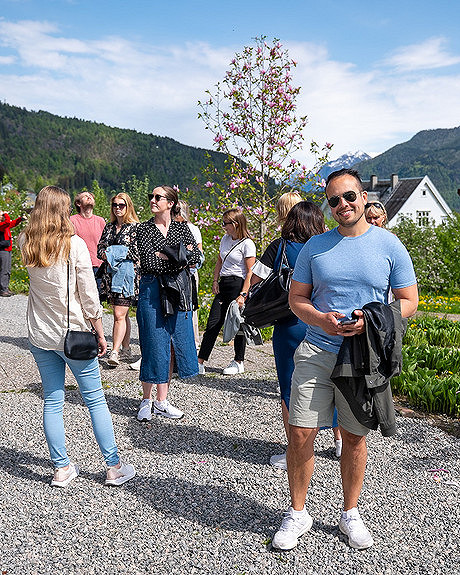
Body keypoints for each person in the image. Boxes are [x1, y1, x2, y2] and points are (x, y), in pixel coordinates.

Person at [272, 169, 418, 551]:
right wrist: (320, 318)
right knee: (300, 432)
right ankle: (298, 512)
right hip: (316, 350)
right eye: (334, 200)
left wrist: (371, 319)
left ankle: (350, 513)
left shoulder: (388, 244)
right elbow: (296, 299)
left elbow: (409, 300)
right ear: (328, 204)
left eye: (349, 196)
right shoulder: (314, 247)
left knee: (353, 437)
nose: (343, 205)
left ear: (364, 197)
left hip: (362, 355)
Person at [19, 185, 135, 487]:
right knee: (95, 401)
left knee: (52, 401)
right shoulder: (74, 245)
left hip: (41, 334)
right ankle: (113, 466)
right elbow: (89, 297)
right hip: (73, 333)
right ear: (63, 209)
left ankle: (61, 468)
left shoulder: (27, 241)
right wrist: (101, 334)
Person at [251, 201, 342, 471]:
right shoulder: (325, 247)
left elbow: (256, 279)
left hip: (290, 324)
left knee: (291, 387)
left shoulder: (280, 247)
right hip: (323, 324)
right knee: (332, 383)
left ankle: (295, 449)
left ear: (290, 221)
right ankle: (339, 442)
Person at [136, 186, 202, 421]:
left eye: (157, 197)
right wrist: (179, 258)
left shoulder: (182, 228)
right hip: (151, 291)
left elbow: (196, 257)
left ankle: (162, 401)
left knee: (172, 344)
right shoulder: (143, 229)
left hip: (177, 291)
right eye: (151, 197)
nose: (152, 201)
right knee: (153, 342)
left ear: (171, 203)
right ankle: (146, 400)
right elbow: (149, 262)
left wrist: (166, 255)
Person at [198, 208, 256, 375]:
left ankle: (239, 360)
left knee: (237, 325)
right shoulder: (225, 239)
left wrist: (243, 294)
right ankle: (200, 360)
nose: (223, 227)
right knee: (213, 323)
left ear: (235, 224)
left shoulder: (247, 243)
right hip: (224, 283)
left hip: (238, 284)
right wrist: (215, 280)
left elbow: (250, 271)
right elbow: (219, 261)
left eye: (226, 223)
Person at [97, 193, 139, 367]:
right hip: (110, 276)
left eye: (121, 205)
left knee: (118, 315)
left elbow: (136, 253)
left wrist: (112, 253)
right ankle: (126, 348)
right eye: (115, 205)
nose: (117, 208)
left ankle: (114, 351)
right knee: (123, 313)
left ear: (128, 206)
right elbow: (100, 249)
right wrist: (113, 253)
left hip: (127, 277)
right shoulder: (109, 227)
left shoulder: (136, 228)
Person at [70, 191, 106, 279]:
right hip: (81, 266)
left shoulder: (100, 221)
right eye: (85, 196)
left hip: (99, 266)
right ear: (78, 203)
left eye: (90, 196)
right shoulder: (72, 221)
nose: (89, 197)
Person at [0, 209, 23, 297]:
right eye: (1, 215)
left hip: (8, 250)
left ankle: (5, 287)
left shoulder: (5, 226)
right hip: (3, 251)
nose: (3, 216)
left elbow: (12, 223)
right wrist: (5, 213)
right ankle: (2, 289)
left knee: (8, 270)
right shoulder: (1, 225)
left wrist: (20, 219)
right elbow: (7, 222)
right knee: (4, 270)